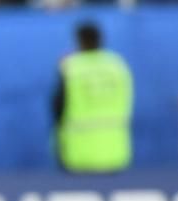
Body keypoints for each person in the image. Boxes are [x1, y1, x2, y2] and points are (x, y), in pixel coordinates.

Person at [53, 21, 133, 173]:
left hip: (78, 153)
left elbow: (57, 107)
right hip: (116, 152)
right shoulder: (117, 65)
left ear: (78, 40)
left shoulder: (71, 67)